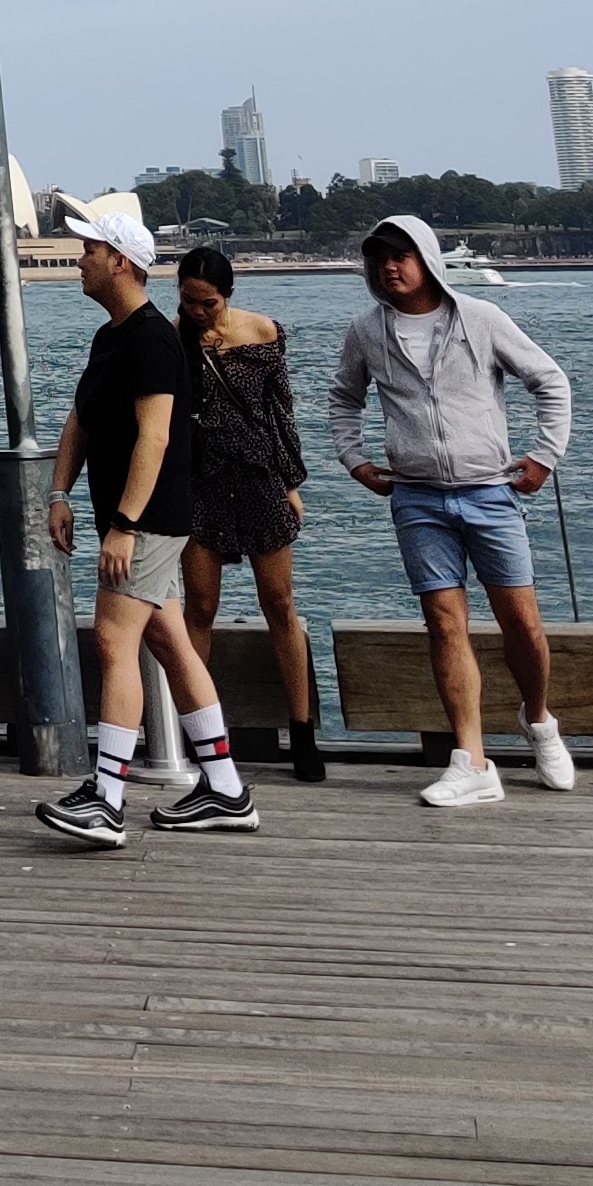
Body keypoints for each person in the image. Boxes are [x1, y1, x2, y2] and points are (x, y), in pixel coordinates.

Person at [327, 212, 576, 808]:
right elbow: (343, 397)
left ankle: (539, 720)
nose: (390, 267)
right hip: (416, 497)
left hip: (491, 492)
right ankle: (472, 761)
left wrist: (544, 457)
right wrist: (354, 459)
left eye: (401, 256)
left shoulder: (481, 318)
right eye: (380, 258)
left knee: (522, 625)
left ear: (427, 259)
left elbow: (550, 381)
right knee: (444, 623)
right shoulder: (366, 331)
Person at [39, 208, 262, 846]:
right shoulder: (110, 337)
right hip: (135, 519)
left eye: (89, 249)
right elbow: (80, 420)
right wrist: (60, 493)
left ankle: (106, 798)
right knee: (170, 644)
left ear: (120, 262)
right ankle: (225, 789)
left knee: (115, 642)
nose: (79, 259)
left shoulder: (151, 341)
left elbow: (156, 437)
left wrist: (125, 526)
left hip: (148, 521)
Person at [177, 247, 326, 785]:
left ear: (228, 294)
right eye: (189, 301)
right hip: (199, 483)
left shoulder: (264, 332)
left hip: (260, 476)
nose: (199, 312)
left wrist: (291, 483)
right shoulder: (172, 340)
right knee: (200, 607)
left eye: (209, 303)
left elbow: (281, 413)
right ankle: (196, 737)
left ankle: (303, 730)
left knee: (280, 603)